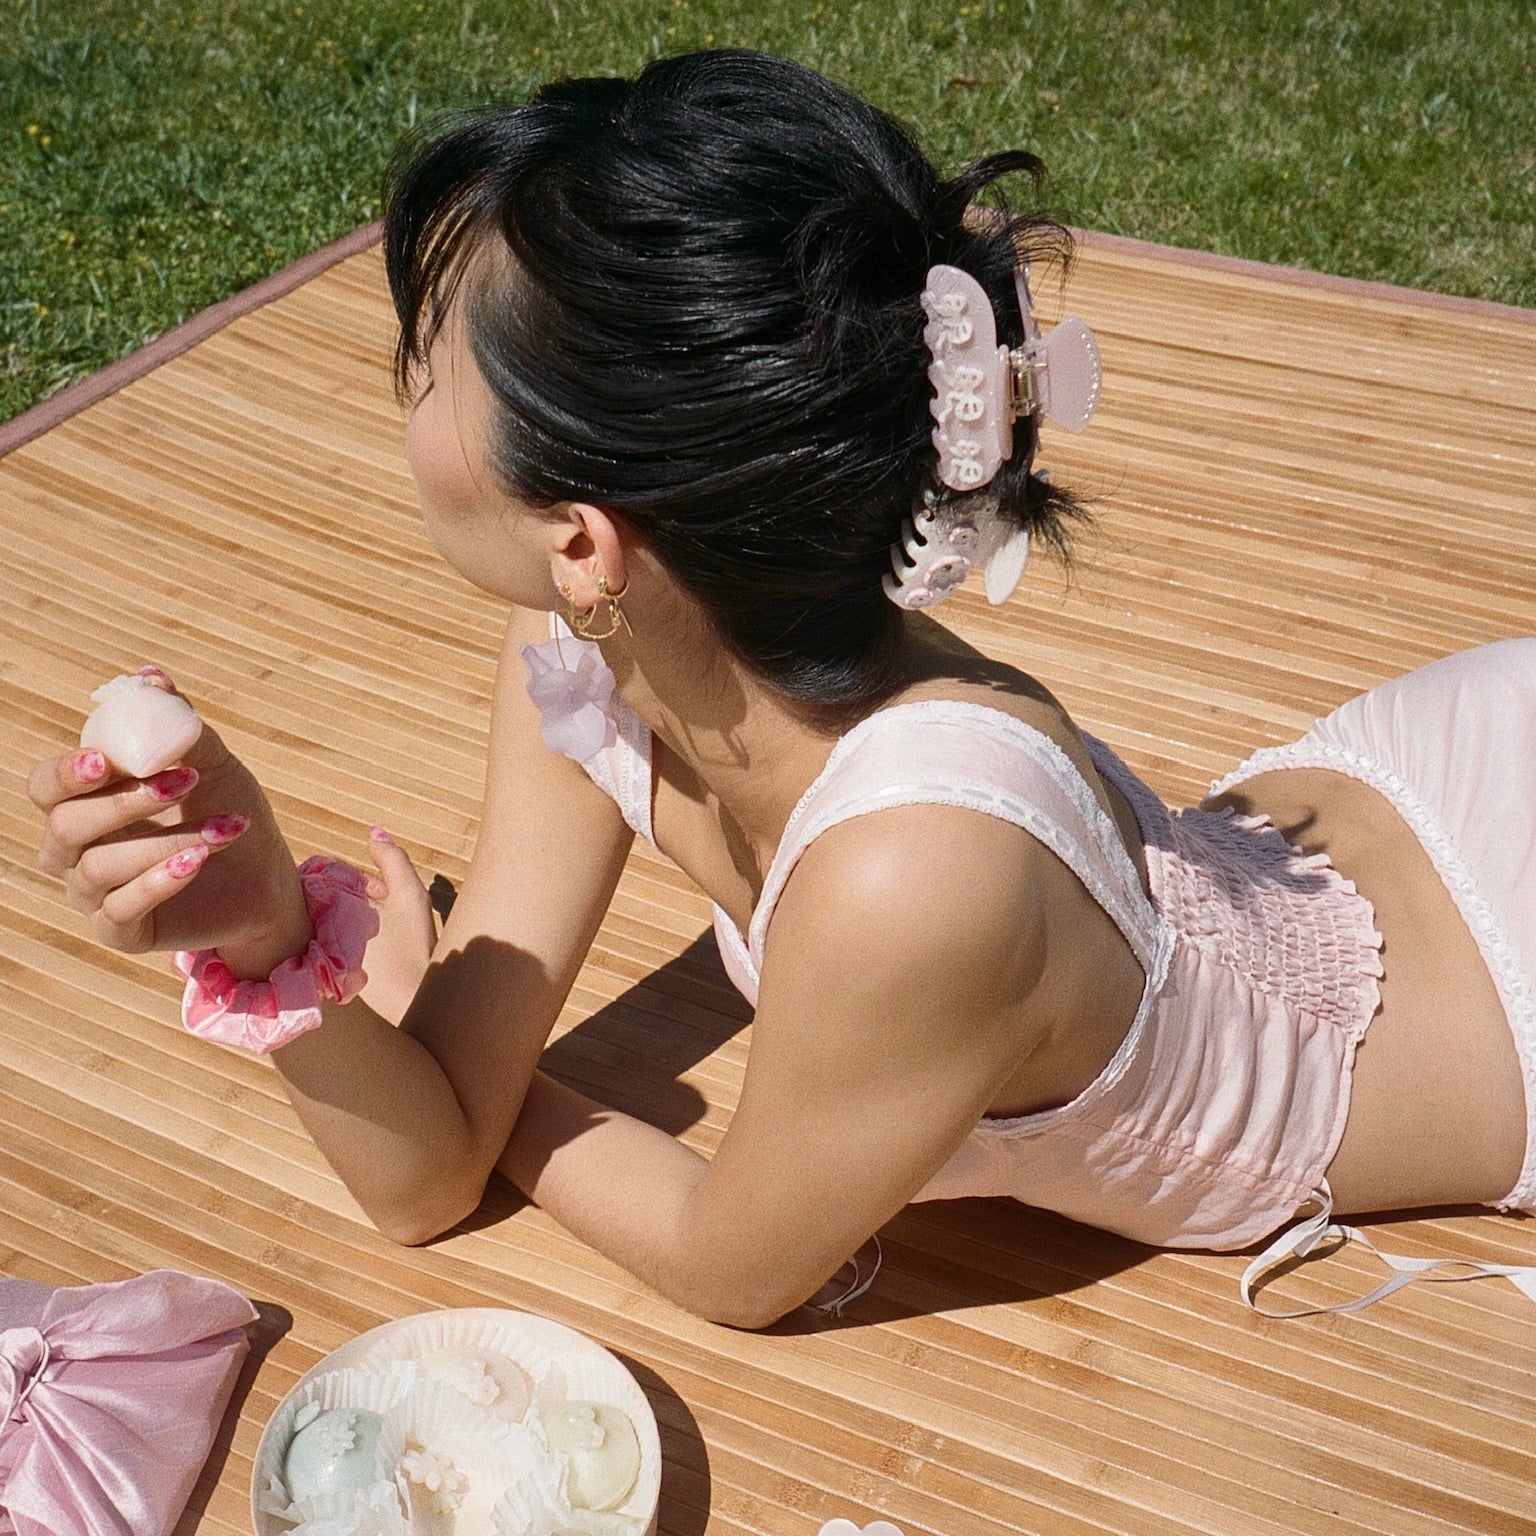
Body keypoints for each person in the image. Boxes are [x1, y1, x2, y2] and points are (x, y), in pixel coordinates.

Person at [27, 50, 1536, 1328]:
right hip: (1401, 781)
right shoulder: (584, 667)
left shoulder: (915, 872)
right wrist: (277, 943)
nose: (402, 391)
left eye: (431, 370)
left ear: (582, 539)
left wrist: (437, 1030)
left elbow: (728, 1263)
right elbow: (422, 1178)